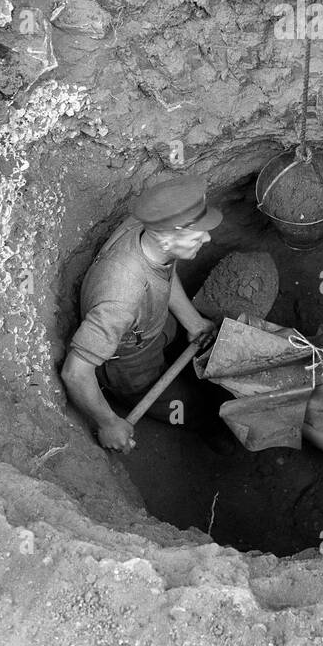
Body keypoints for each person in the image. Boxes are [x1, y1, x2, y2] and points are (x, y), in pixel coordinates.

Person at [61, 177, 222, 455]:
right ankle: (207, 426)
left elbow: (164, 274)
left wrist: (193, 323)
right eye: (198, 235)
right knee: (190, 406)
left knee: (173, 338)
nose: (207, 238)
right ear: (167, 237)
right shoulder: (121, 295)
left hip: (153, 327)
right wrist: (108, 422)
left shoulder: (145, 230)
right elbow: (75, 372)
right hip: (132, 366)